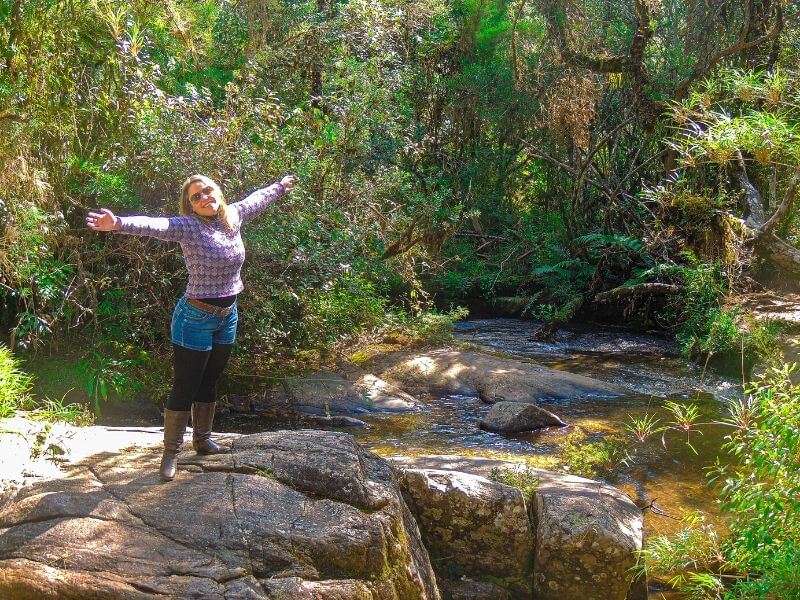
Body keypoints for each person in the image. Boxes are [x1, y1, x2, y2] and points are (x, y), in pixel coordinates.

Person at [86, 174, 295, 481]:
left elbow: (257, 200)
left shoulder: (233, 216)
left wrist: (281, 186)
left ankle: (202, 439)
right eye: (196, 197)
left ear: (217, 191)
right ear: (190, 206)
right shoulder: (189, 226)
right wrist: (118, 223)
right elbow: (155, 225)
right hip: (194, 318)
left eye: (207, 191)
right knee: (185, 384)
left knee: (210, 379)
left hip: (228, 316)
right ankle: (171, 453)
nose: (204, 198)